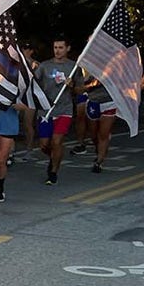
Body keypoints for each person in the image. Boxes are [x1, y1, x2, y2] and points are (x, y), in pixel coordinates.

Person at [36, 37, 84, 185]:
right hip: (46, 111)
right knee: (44, 145)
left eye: (61, 47)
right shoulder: (44, 66)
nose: (57, 50)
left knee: (57, 141)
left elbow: (80, 90)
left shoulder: (74, 67)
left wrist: (71, 86)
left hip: (64, 109)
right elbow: (33, 84)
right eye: (55, 47)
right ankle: (54, 157)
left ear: (67, 49)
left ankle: (53, 172)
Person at [82, 78, 116, 173]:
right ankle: (98, 149)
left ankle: (99, 161)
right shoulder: (87, 67)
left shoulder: (115, 67)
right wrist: (91, 84)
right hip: (93, 101)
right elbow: (79, 87)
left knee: (103, 134)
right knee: (93, 134)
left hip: (110, 102)